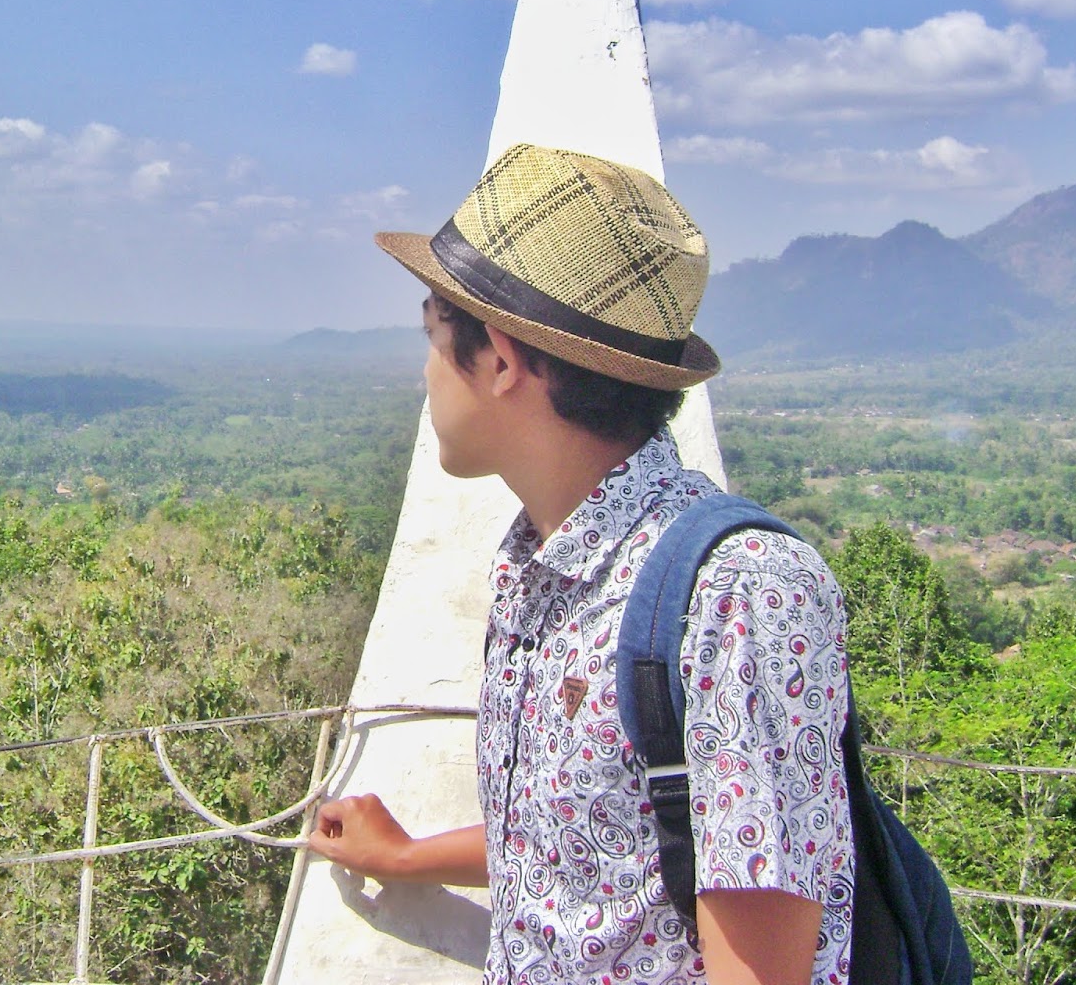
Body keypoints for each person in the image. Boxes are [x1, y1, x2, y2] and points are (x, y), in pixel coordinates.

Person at [310, 143, 854, 985]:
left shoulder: (737, 592)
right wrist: (411, 856)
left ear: (497, 359)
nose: (424, 373)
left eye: (432, 339)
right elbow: (602, 835)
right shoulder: (543, 560)